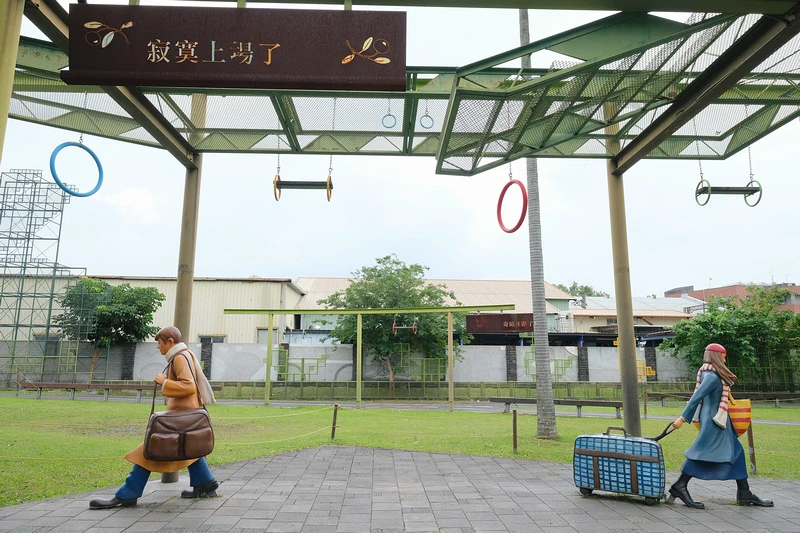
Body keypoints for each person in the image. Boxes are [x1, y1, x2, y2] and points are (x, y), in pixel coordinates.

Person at [90, 326, 219, 509]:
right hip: (187, 415)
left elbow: (189, 386)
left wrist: (164, 382)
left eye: (159, 343)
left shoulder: (179, 358)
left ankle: (128, 493)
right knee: (188, 446)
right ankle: (205, 483)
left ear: (170, 342)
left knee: (151, 449)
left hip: (180, 416)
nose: (158, 347)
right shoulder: (185, 354)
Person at [668, 342, 773, 509]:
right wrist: (682, 418)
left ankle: (744, 492)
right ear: (716, 356)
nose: (725, 358)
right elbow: (696, 397)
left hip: (718, 419)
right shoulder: (711, 375)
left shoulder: (711, 373)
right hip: (714, 420)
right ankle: (680, 485)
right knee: (702, 452)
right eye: (723, 355)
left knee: (736, 452)